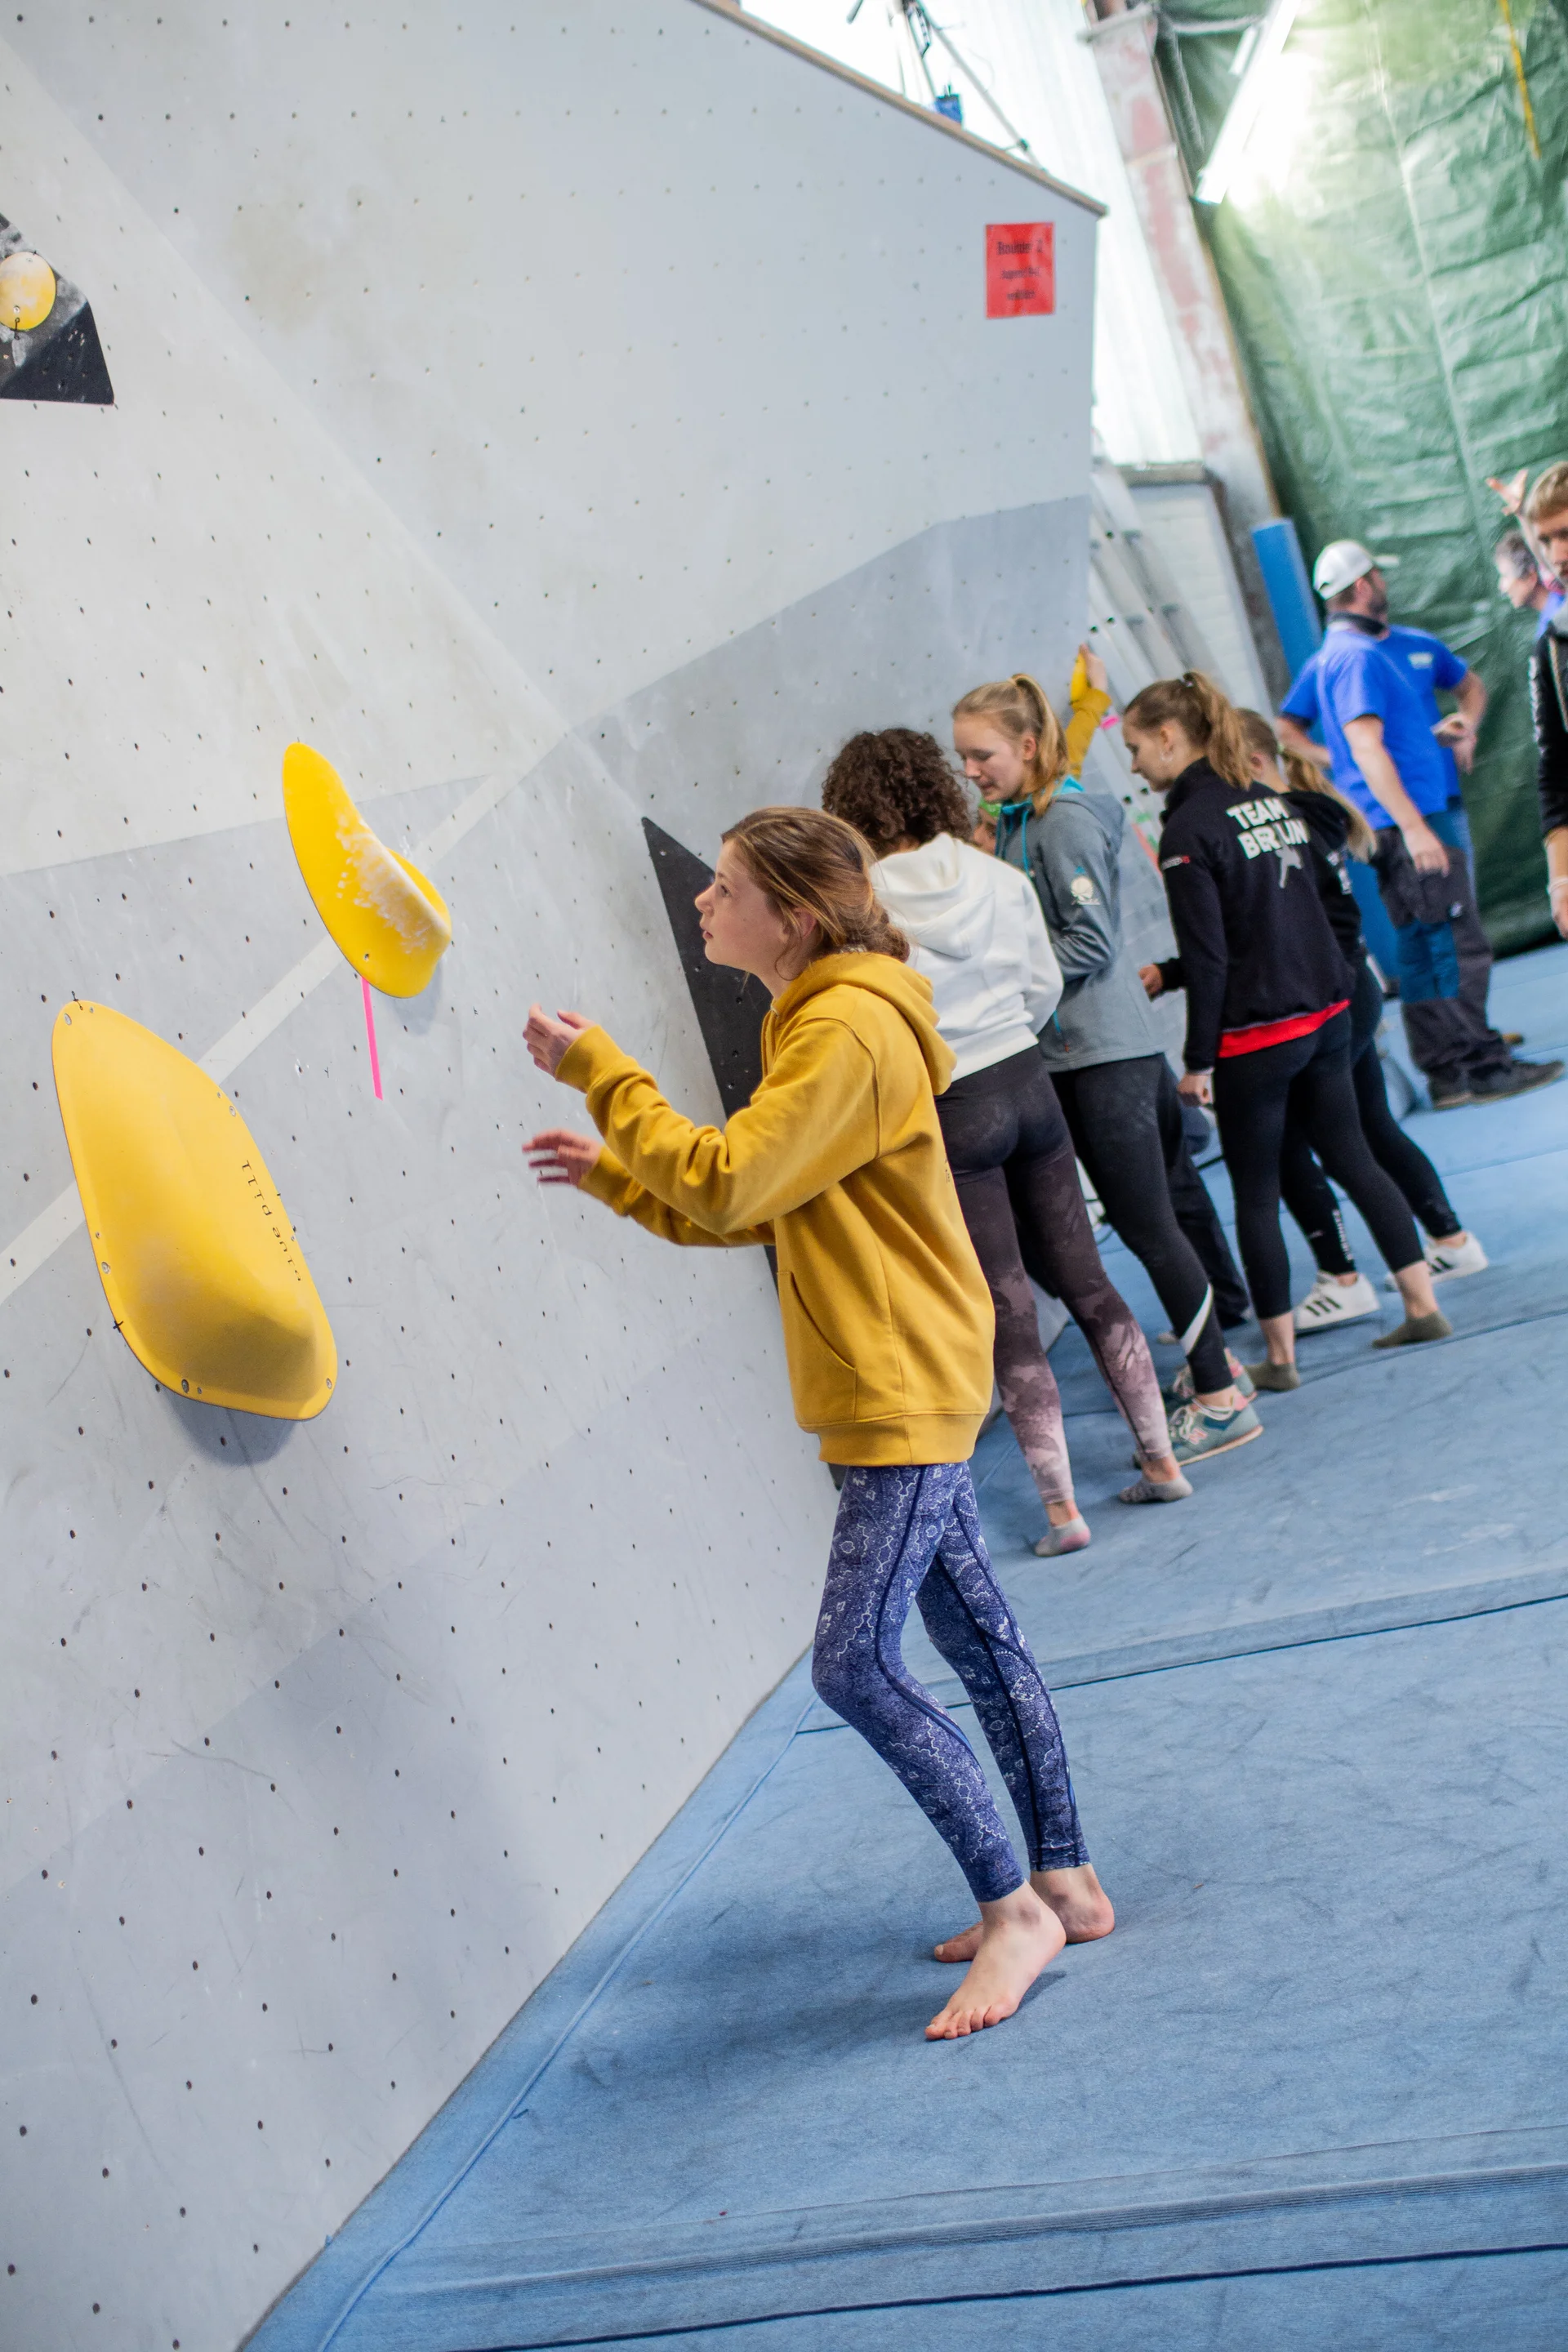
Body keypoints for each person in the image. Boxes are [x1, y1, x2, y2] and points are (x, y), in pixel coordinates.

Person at [524, 805, 1113, 2041]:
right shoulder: (826, 1020)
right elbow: (757, 1204)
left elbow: (734, 1176)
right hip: (902, 1371)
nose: (703, 903)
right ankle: (1063, 1879)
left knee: (856, 1665)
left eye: (725, 887)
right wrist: (622, 1174)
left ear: (790, 914)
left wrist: (607, 1074)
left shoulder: (842, 1025)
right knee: (978, 1633)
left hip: (901, 1383)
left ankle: (1018, 1912)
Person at [820, 726, 1192, 1548]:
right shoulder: (994, 874)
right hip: (1028, 1083)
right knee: (1089, 1281)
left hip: (952, 1106)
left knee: (1009, 1305)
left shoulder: (865, 907)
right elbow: (1041, 983)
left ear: (854, 806)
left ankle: (1063, 1511)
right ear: (938, 790)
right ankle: (1163, 1460)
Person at [953, 662, 1259, 1470]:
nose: (972, 773)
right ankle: (1217, 1371)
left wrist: (997, 976)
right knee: (1151, 1218)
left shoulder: (1067, 823)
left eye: (982, 755)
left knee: (1150, 1223)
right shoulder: (1022, 822)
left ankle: (1220, 1398)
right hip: (1080, 1057)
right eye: (963, 759)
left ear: (1027, 744)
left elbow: (1089, 942)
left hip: (1106, 1057)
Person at [1121, 670, 1452, 1389]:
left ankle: (1279, 1359)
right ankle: (1422, 1304)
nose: (1135, 764)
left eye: (1138, 747)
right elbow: (1293, 916)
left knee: (1257, 1192)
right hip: (1328, 1015)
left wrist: (1198, 1061)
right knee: (1354, 1155)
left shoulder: (1187, 831)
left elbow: (1213, 956)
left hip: (1260, 1038)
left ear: (1172, 738)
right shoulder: (1266, 802)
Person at [1278, 540, 1557, 1109]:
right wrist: (1415, 827)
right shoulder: (1355, 657)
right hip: (1407, 820)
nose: (1384, 582)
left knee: (1425, 943)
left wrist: (1445, 738)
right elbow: (1364, 744)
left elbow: (1378, 741)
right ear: (1362, 586)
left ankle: (1448, 1070)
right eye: (1378, 574)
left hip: (1391, 820)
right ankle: (1481, 1065)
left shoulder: (1351, 653)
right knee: (1455, 941)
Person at [1237, 712, 1486, 1332]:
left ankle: (1343, 1276)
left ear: (1249, 765)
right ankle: (1449, 1239)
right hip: (1351, 987)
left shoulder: (1284, 823)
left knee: (1324, 1142)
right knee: (1369, 1128)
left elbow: (1309, 921)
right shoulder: (1311, 810)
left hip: (1333, 993)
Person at [1517, 465, 1568, 941]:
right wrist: (1561, 881)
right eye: (1547, 541)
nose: (1558, 555)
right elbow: (1555, 772)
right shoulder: (1552, 648)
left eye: (1566, 535)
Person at [1494, 528, 1564, 640]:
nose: (1502, 588)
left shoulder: (1557, 621)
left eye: (1506, 576)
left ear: (1531, 577)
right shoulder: (1548, 621)